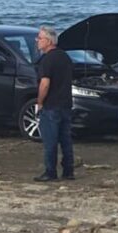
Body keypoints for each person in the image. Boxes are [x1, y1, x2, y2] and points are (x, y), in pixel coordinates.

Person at [34, 25, 74, 182]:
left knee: (50, 140)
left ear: (49, 41)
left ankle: (50, 171)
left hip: (51, 105)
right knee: (65, 140)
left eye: (40, 38)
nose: (37, 41)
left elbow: (45, 84)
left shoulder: (47, 59)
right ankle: (68, 170)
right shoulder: (65, 57)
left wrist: (40, 102)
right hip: (66, 103)